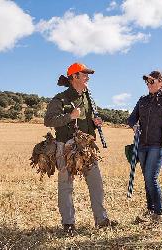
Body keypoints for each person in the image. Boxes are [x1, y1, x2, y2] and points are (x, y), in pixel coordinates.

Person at [44, 62, 116, 235]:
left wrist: (95, 122)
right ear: (74, 77)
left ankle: (101, 220)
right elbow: (49, 121)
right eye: (84, 75)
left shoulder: (88, 97)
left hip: (86, 147)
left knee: (96, 184)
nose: (87, 77)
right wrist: (70, 116)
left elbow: (87, 119)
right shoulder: (59, 99)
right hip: (66, 147)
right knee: (66, 185)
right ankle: (68, 224)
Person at [127, 71, 162, 223]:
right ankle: (150, 210)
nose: (148, 84)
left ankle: (159, 214)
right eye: (147, 82)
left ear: (161, 82)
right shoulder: (142, 100)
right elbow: (132, 118)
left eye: (151, 81)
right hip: (142, 144)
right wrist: (134, 126)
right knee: (147, 178)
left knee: (151, 177)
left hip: (158, 144)